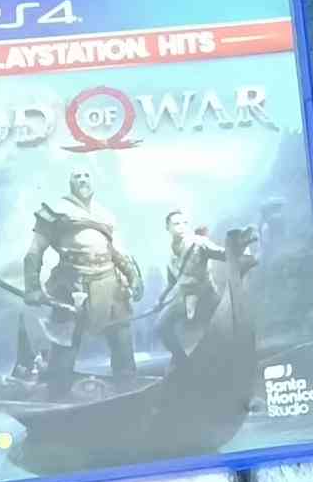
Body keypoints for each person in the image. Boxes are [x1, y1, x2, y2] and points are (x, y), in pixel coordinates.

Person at [18, 170, 143, 396]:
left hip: (110, 285)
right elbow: (34, 251)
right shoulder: (55, 211)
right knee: (65, 347)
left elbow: (117, 251)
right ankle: (57, 395)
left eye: (86, 175)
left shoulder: (104, 214)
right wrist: (33, 287)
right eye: (77, 176)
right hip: (72, 285)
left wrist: (134, 276)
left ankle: (129, 392)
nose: (83, 179)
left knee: (122, 342)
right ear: (70, 182)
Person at [156, 210, 229, 364]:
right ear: (168, 228)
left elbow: (223, 254)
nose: (181, 227)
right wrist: (160, 299)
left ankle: (223, 360)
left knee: (219, 330)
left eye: (184, 223)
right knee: (161, 326)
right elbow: (172, 281)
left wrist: (237, 250)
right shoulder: (171, 252)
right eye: (176, 224)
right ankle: (182, 360)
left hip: (205, 295)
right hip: (184, 297)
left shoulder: (199, 243)